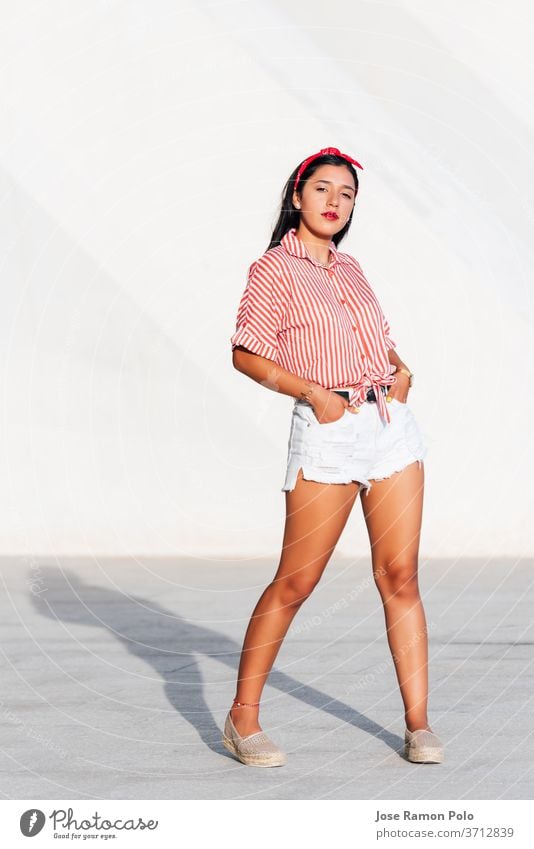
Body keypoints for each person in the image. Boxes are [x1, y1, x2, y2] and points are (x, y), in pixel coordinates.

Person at [224, 147, 443, 768]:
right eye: (323, 190)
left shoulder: (350, 270)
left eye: (346, 195)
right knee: (297, 580)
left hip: (389, 428)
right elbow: (246, 352)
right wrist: (314, 393)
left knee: (400, 576)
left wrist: (401, 370)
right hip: (329, 430)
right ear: (298, 196)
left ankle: (419, 724)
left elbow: (375, 337)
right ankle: (243, 720)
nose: (334, 202)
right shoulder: (273, 269)